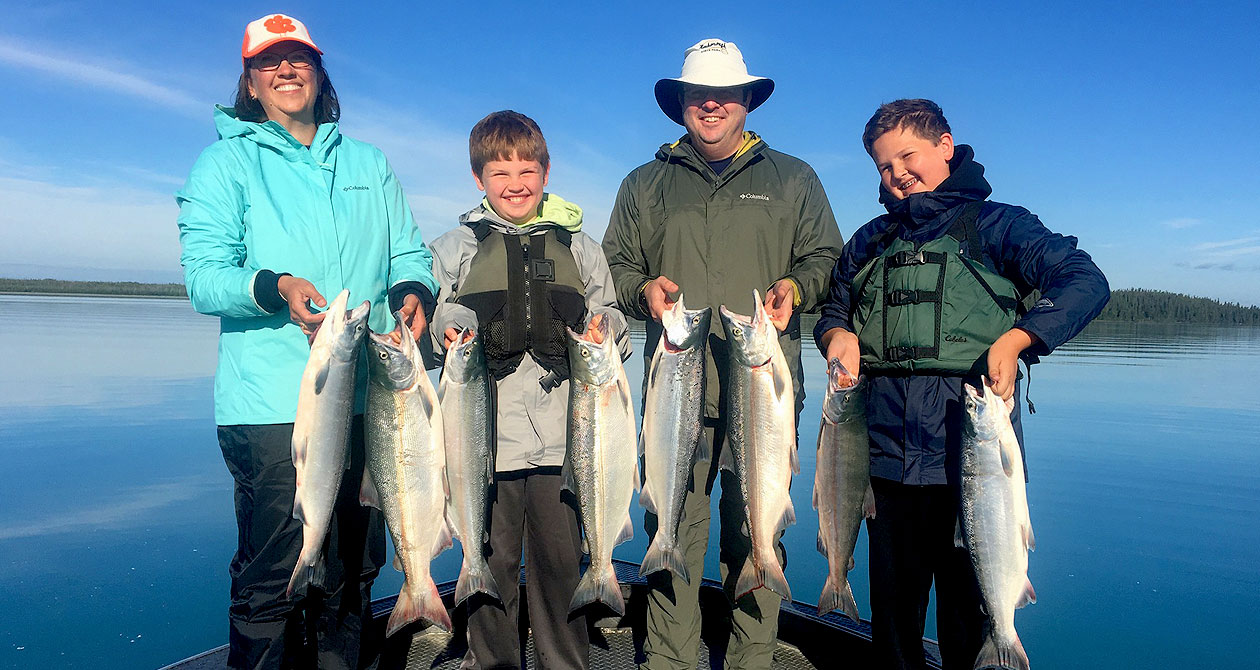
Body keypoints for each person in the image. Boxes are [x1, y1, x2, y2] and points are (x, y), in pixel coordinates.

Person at [175, 13, 438, 669]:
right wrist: (276, 285)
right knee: (274, 576)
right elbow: (206, 278)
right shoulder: (225, 163)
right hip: (271, 407)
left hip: (369, 403)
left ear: (320, 76)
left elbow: (409, 251)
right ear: (251, 84)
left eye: (299, 59)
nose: (286, 70)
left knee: (353, 573)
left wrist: (414, 290)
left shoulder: (368, 163)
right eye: (270, 62)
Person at [814, 99, 1110, 669]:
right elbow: (835, 306)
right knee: (894, 630)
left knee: (965, 621)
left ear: (946, 146)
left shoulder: (999, 227)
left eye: (908, 155)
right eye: (883, 165)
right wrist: (835, 335)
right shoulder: (871, 240)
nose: (897, 174)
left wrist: (1021, 337)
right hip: (882, 466)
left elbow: (1084, 279)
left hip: (971, 464)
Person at [601, 39, 844, 669]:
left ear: (746, 101)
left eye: (725, 94)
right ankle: (671, 662)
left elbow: (825, 260)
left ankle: (751, 661)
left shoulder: (794, 179)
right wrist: (641, 290)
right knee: (670, 535)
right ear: (680, 102)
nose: (711, 105)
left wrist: (798, 286)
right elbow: (618, 267)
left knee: (757, 535)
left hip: (761, 394)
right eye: (698, 94)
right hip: (673, 398)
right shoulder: (643, 183)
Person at [427, 110, 630, 670]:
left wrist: (601, 327)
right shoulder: (454, 247)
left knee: (563, 568)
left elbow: (614, 319)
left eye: (526, 170)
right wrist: (447, 329)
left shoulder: (582, 247)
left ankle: (566, 661)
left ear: (545, 171)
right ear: (478, 179)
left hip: (567, 444)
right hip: (482, 446)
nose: (514, 184)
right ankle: (491, 661)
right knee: (486, 565)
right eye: (499, 173)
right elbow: (435, 317)